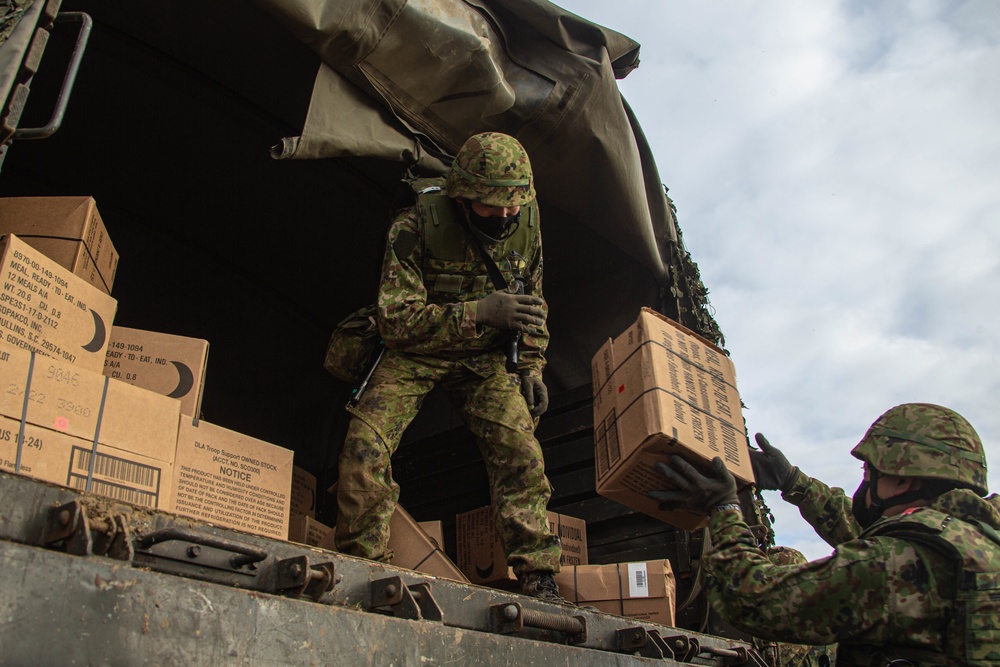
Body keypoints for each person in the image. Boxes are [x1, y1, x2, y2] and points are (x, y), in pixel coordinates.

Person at [334, 131, 566, 602]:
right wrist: (479, 312)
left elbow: (533, 302)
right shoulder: (415, 224)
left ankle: (539, 575)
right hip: (415, 351)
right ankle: (363, 566)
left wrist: (532, 367)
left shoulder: (526, 223)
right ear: (462, 197)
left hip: (483, 359)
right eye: (491, 204)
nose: (504, 214)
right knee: (363, 449)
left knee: (521, 452)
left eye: (512, 204)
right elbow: (395, 322)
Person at [650, 402, 1000, 665]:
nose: (865, 482)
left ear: (903, 479)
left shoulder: (899, 563)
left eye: (869, 470)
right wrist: (793, 483)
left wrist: (723, 508)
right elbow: (864, 529)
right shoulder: (976, 541)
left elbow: (750, 598)